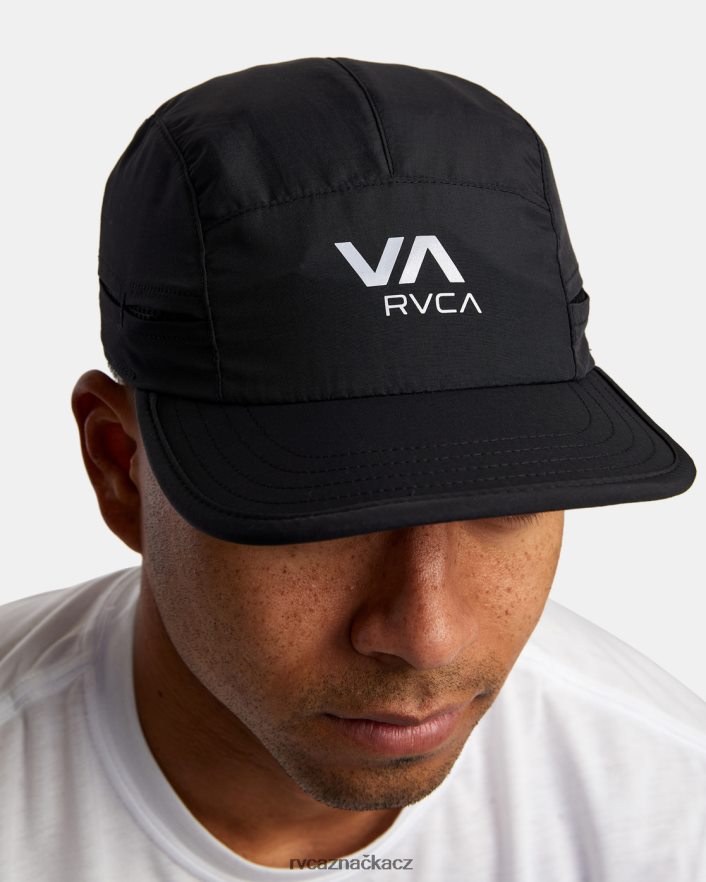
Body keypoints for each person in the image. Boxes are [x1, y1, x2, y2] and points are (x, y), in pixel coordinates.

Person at [1, 56, 704, 882]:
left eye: (507, 497)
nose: (427, 636)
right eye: (329, 511)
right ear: (120, 468)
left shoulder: (670, 812)